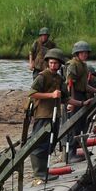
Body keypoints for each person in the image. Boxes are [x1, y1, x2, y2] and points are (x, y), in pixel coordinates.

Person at [28, 48, 67, 181]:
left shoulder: (59, 78)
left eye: (55, 63)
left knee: (51, 143)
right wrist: (51, 95)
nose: (53, 65)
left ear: (59, 64)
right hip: (43, 115)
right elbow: (32, 93)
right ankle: (39, 173)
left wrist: (81, 103)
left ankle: (45, 171)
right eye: (51, 63)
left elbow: (66, 97)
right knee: (40, 144)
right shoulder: (42, 76)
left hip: (55, 115)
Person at [64, 41, 96, 160]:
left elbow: (85, 85)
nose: (85, 55)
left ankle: (76, 149)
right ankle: (70, 153)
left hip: (82, 95)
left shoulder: (83, 65)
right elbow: (70, 85)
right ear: (77, 53)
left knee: (80, 124)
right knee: (73, 125)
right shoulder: (72, 65)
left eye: (86, 53)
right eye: (83, 53)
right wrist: (72, 102)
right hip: (75, 96)